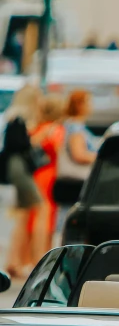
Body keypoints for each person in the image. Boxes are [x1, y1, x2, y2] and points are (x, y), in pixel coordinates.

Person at [2, 85, 45, 278]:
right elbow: (18, 145)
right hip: (19, 170)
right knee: (29, 211)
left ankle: (14, 261)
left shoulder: (14, 117)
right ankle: (18, 261)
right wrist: (36, 139)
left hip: (16, 169)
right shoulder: (19, 119)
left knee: (22, 214)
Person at [31, 95, 66, 252]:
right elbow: (60, 152)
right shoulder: (56, 129)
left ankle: (34, 254)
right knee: (45, 216)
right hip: (50, 174)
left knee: (34, 216)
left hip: (37, 173)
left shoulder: (37, 128)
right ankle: (42, 253)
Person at [64, 89, 99, 166]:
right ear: (79, 105)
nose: (91, 105)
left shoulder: (74, 124)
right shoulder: (75, 128)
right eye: (89, 102)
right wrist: (102, 158)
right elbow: (79, 155)